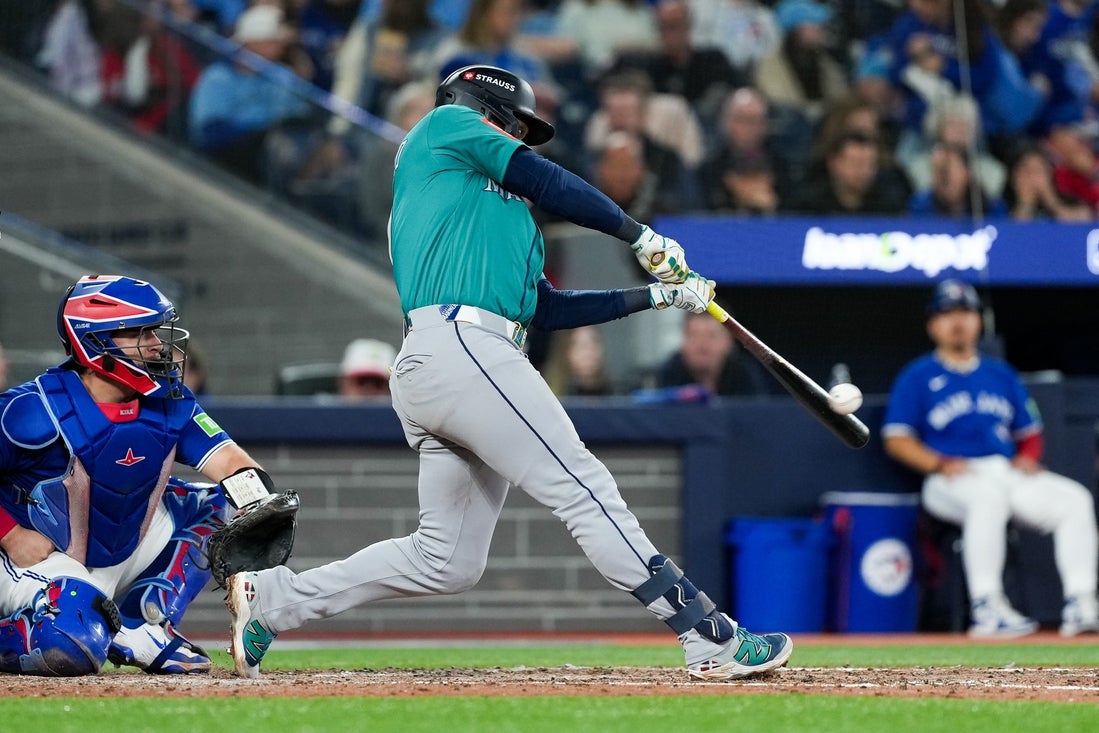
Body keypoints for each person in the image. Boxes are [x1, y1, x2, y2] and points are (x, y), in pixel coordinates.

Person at [226, 63, 793, 681]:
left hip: (454, 361)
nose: (519, 137)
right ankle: (706, 635)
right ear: (483, 109)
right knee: (583, 488)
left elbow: (545, 309)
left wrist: (656, 297)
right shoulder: (444, 126)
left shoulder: (508, 218)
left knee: (446, 560)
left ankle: (277, 600)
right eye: (513, 124)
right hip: (461, 345)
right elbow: (544, 178)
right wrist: (638, 233)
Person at [0, 275, 279, 676]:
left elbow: (232, 463)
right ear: (95, 342)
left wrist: (262, 503)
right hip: (37, 556)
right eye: (139, 332)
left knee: (232, 504)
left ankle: (145, 626)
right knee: (71, 643)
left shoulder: (171, 400)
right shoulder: (29, 408)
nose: (157, 344)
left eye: (154, 331)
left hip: (123, 547)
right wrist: (10, 535)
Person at [882, 279, 1099, 638]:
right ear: (933, 325)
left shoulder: (1000, 373)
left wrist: (1029, 456)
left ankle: (1081, 602)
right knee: (987, 500)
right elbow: (897, 439)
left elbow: (1029, 431)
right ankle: (987, 606)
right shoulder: (918, 375)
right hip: (948, 477)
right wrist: (937, 463)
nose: (958, 321)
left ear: (978, 321)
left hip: (1002, 470)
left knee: (1075, 499)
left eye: (965, 312)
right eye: (947, 313)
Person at [654, 311, 769, 397]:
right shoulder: (666, 376)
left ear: (729, 341)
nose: (702, 345)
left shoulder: (745, 375)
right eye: (694, 335)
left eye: (712, 335)